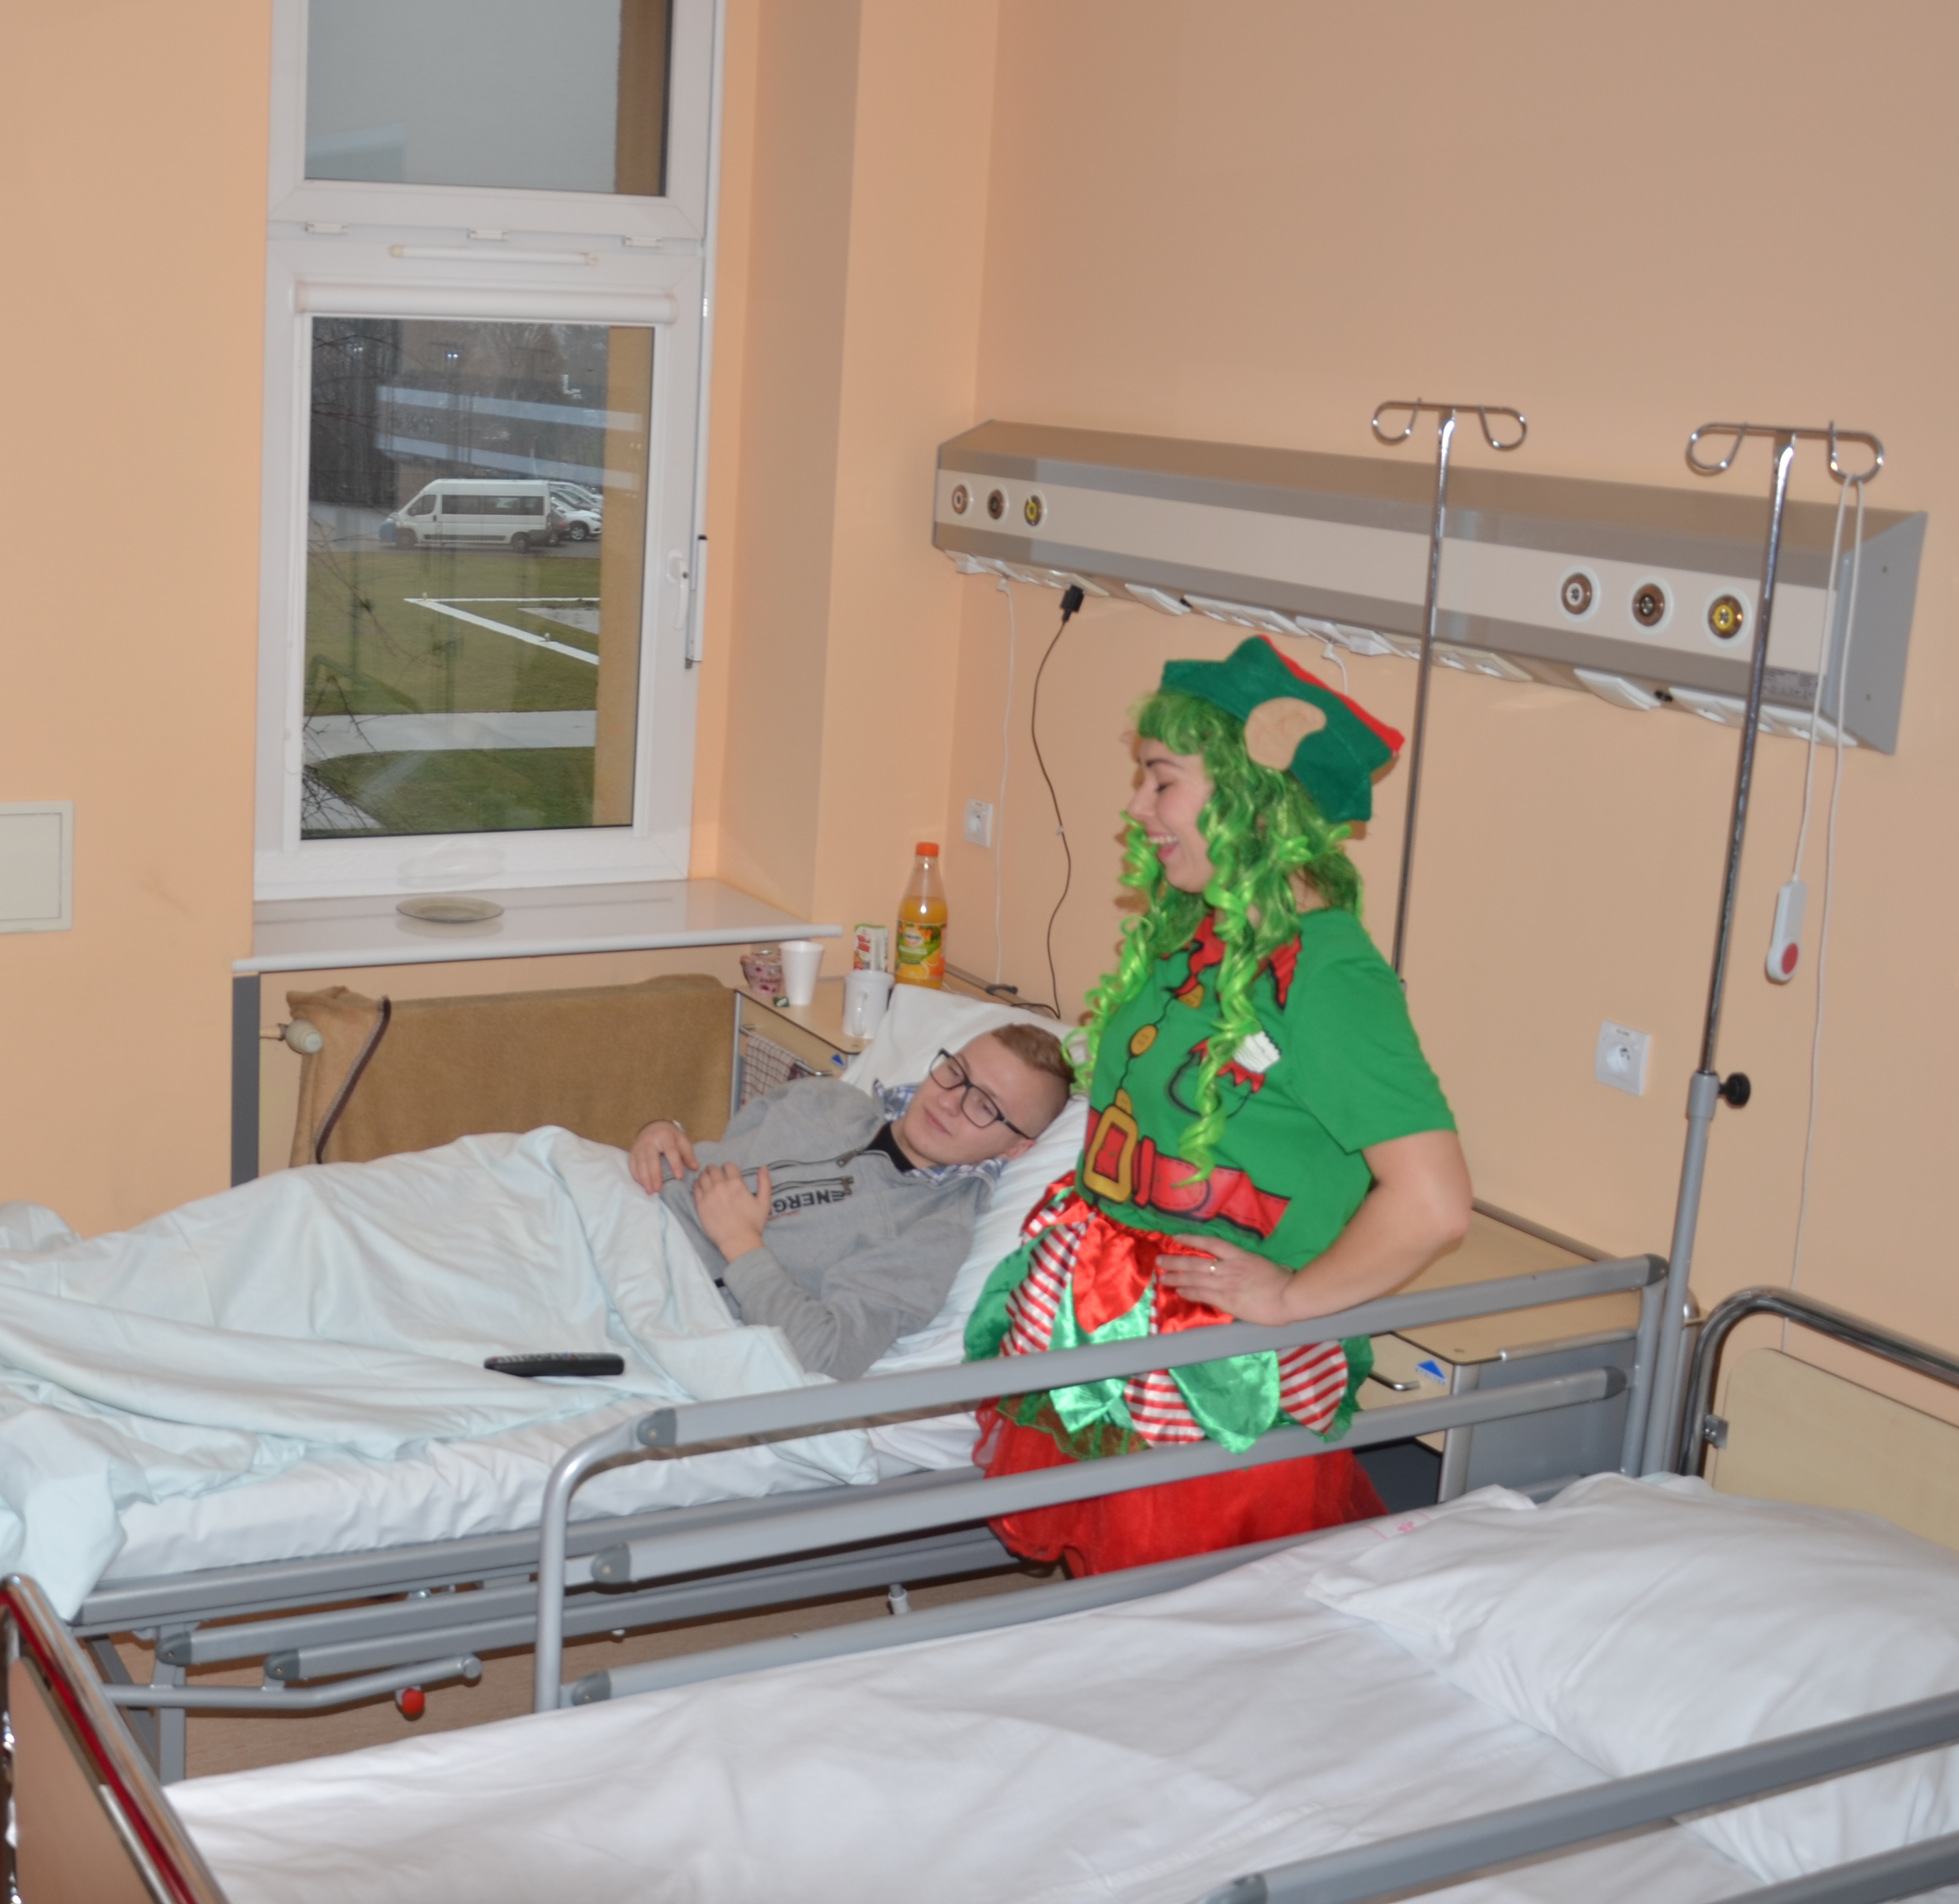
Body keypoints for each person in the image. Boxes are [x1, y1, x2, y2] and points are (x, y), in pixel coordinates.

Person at [964, 634, 1471, 1575]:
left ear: (1252, 794)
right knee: (1105, 1597)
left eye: (1162, 782)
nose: (1136, 807)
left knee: (1190, 1613)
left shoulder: (1328, 977)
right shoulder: (1196, 932)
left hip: (1211, 1371)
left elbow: (1433, 1202)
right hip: (1112, 1320)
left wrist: (1290, 1297)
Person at [626, 1021, 1076, 1381]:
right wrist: (663, 1136)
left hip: (658, 1290)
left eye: (985, 1107)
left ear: (1017, 1147)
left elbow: (828, 1356)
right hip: (624, 1205)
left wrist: (740, 1244)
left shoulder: (930, 1235)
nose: (950, 1103)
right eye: (956, 1073)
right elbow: (715, 1160)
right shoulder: (826, 1098)